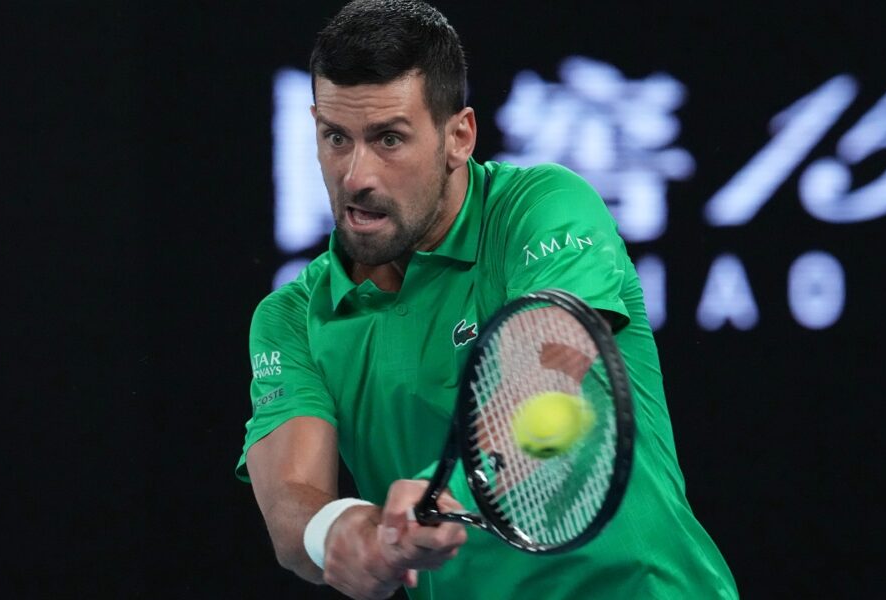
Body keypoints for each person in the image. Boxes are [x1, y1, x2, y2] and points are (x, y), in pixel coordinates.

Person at [236, 1, 738, 598]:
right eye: (335, 138)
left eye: (389, 139)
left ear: (459, 137)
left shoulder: (542, 207)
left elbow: (543, 377)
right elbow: (291, 502)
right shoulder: (290, 318)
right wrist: (337, 529)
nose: (355, 176)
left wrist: (437, 493)